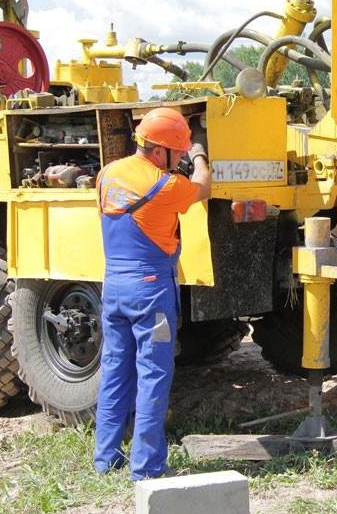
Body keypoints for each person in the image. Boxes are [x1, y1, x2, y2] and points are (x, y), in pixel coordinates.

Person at [93, 107, 211, 480]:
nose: (180, 158)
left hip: (114, 291)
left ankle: (105, 458)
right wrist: (200, 156)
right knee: (153, 374)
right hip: (150, 297)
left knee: (114, 370)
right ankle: (147, 467)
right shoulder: (167, 186)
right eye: (178, 152)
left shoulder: (108, 174)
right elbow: (204, 188)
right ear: (161, 151)